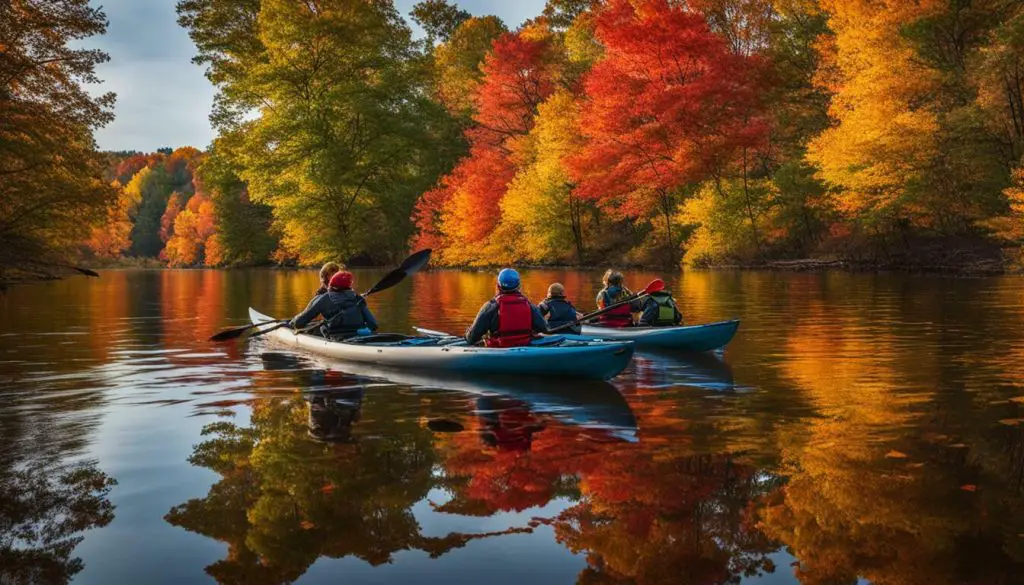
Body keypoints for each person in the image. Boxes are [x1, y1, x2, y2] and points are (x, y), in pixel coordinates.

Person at [465, 268, 549, 347]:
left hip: (499, 351)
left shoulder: (490, 306)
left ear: (498, 286)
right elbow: (545, 329)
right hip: (525, 346)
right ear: (519, 286)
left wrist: (467, 332)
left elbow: (471, 338)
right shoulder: (530, 305)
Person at [291, 271, 378, 339]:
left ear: (332, 283)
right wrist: (362, 332)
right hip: (360, 337)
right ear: (350, 285)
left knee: (319, 329)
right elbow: (373, 324)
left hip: (335, 337)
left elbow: (299, 323)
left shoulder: (324, 298)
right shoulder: (358, 298)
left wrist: (293, 322)